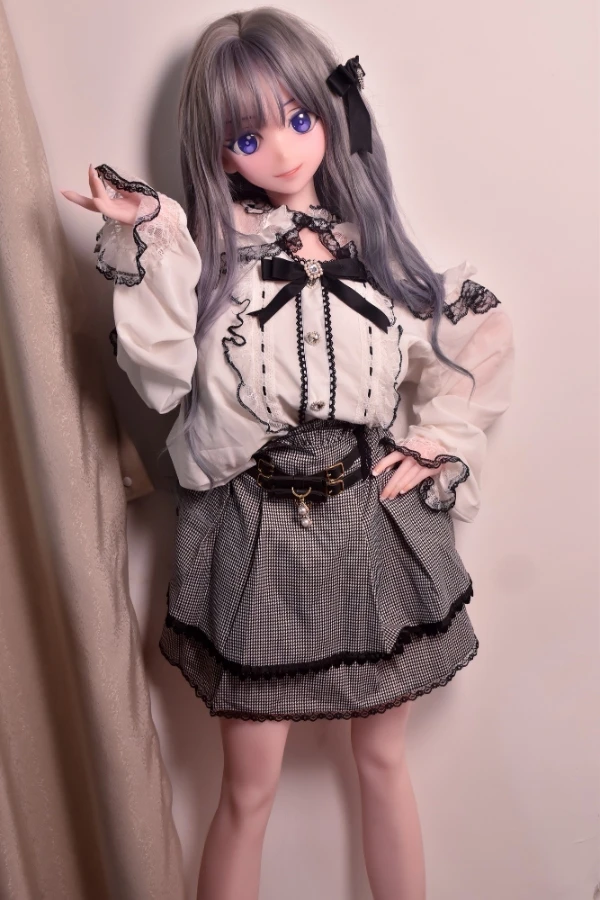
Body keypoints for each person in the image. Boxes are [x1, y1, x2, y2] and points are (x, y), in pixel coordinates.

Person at [62, 8, 514, 900]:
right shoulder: (207, 253)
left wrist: (435, 443)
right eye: (248, 135)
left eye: (300, 118)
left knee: (383, 762)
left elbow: (468, 337)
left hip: (369, 520)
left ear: (331, 112)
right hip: (255, 525)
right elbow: (159, 379)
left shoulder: (371, 245)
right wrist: (149, 236)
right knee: (248, 791)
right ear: (219, 149)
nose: (281, 150)